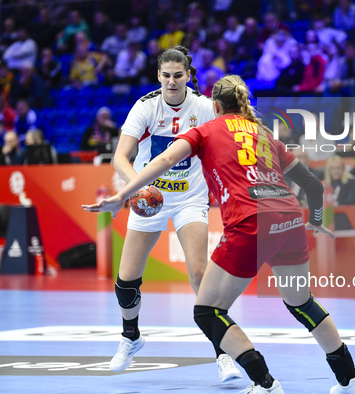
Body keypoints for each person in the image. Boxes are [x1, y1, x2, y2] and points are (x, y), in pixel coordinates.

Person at [83, 74, 355, 394]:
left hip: (251, 222)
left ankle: (266, 384)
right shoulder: (265, 134)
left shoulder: (204, 131)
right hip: (289, 219)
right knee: (302, 302)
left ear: (215, 106)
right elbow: (313, 185)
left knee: (208, 312)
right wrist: (315, 220)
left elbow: (164, 159)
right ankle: (351, 380)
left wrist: (122, 195)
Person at [86, 46, 242, 382]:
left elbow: (224, 150)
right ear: (159, 75)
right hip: (149, 199)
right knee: (126, 282)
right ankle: (131, 337)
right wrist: (137, 187)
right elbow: (120, 158)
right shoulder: (145, 107)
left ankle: (222, 353)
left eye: (178, 75)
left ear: (188, 75)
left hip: (190, 198)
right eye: (166, 75)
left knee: (200, 275)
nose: (172, 81)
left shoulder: (203, 108)